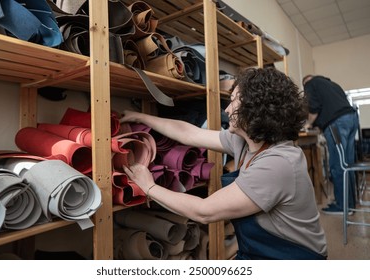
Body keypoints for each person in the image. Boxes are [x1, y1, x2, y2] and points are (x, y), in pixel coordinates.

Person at [122, 67, 327, 260]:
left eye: (234, 101)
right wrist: (142, 117)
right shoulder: (246, 142)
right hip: (259, 253)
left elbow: (204, 211)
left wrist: (148, 186)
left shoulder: (278, 164)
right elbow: (189, 133)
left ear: (256, 108)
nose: (227, 109)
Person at [302, 75, 359, 215]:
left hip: (337, 124)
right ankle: (350, 203)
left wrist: (307, 124)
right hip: (351, 120)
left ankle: (342, 206)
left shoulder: (311, 84)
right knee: (347, 165)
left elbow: (314, 108)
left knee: (337, 165)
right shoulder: (333, 85)